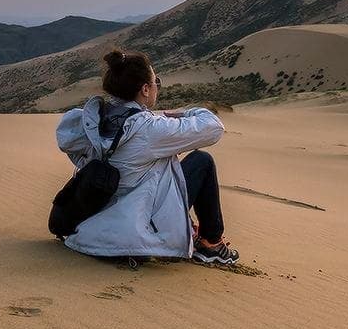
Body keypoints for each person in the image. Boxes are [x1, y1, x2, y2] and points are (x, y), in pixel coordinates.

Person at [55, 49, 239, 265]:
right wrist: (187, 113)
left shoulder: (93, 120)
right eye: (155, 82)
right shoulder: (149, 128)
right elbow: (214, 127)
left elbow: (71, 143)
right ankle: (212, 244)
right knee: (201, 161)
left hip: (97, 221)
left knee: (165, 167)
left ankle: (192, 230)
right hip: (138, 225)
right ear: (144, 89)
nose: (156, 87)